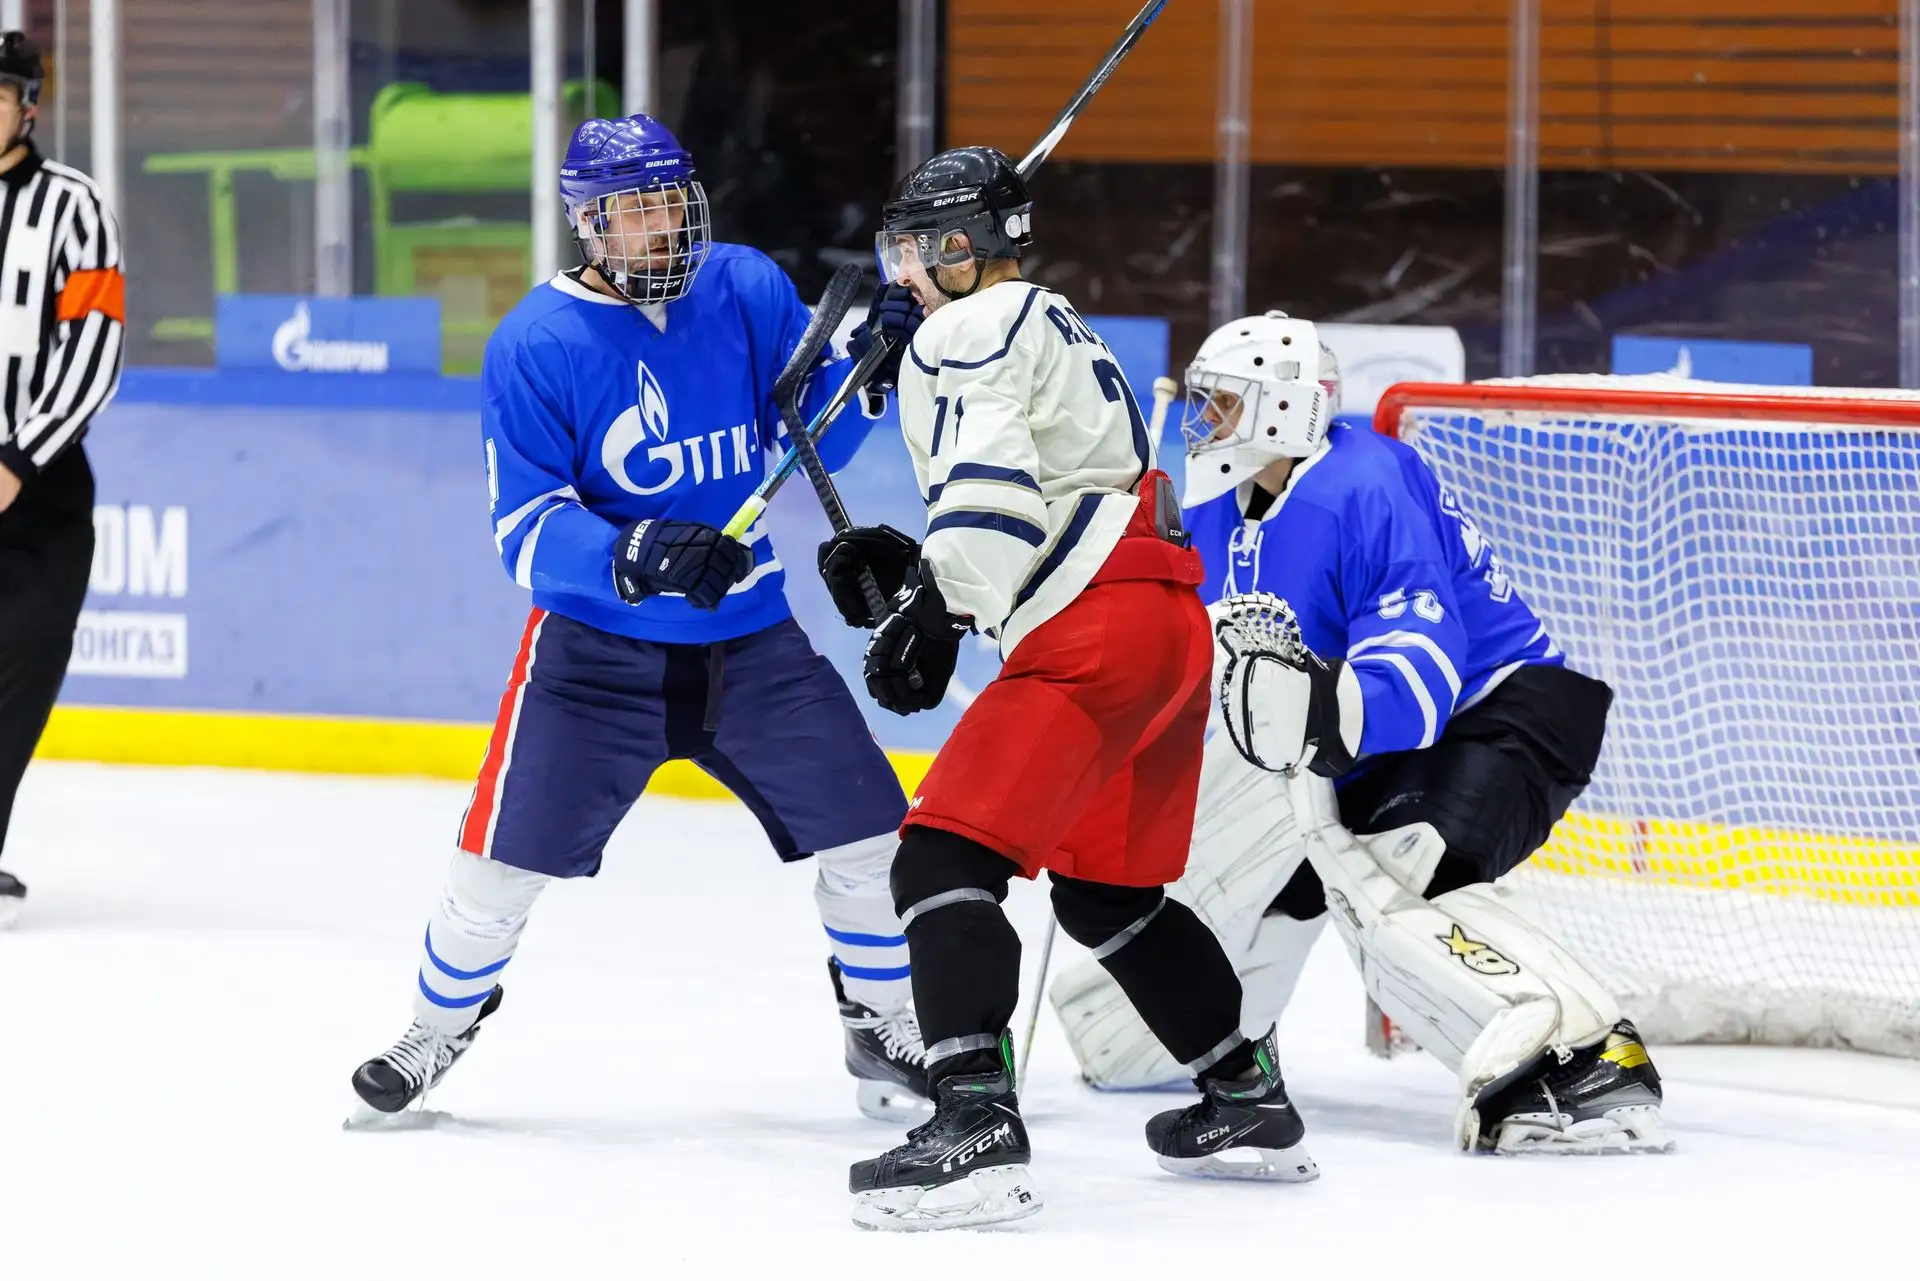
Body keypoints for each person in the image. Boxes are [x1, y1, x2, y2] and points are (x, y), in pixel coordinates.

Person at [348, 114, 930, 1122]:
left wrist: (877, 364)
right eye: (635, 209)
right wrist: (633, 552)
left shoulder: (743, 286)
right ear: (589, 223)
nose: (662, 224)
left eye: (671, 201)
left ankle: (879, 1027)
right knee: (495, 867)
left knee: (875, 835)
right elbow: (524, 531)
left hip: (751, 642)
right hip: (594, 660)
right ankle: (435, 1028)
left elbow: (820, 431)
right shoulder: (537, 343)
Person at [818, 149, 1317, 1233]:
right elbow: (1056, 489)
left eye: (914, 251)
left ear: (960, 247)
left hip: (1094, 633)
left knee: (940, 858)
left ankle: (975, 1122)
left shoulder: (968, 325)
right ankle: (1245, 1094)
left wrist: (939, 605)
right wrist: (926, 579)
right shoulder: (1050, 318)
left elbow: (991, 489)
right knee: (1109, 896)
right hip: (1162, 622)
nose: (902, 273)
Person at [1051, 311, 1672, 1156]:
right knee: (1251, 873)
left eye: (1225, 402)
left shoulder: (1366, 481)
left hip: (1499, 712)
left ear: (1282, 406)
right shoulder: (1215, 506)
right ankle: (1215, 1049)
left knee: (1394, 862)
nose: (1206, 420)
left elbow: (1423, 663)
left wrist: (1317, 711)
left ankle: (1585, 1052)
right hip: (1357, 750)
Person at [0, 32, 125, 928]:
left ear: (30, 108)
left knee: (23, 666)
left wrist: (15, 458)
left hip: (39, 492)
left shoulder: (71, 207)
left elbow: (93, 346)